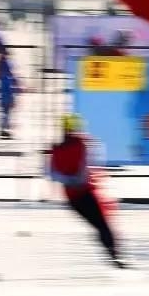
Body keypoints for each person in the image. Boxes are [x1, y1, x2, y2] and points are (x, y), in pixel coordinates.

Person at [48, 114, 125, 268]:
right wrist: (76, 181)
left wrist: (68, 180)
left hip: (73, 197)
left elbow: (52, 174)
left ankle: (113, 256)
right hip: (84, 193)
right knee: (102, 225)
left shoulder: (58, 148)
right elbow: (82, 170)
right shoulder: (80, 144)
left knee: (99, 226)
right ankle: (114, 257)